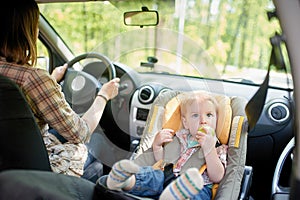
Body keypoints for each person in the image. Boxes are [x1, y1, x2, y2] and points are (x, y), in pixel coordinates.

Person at [0, 0, 120, 180]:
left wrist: (52, 79)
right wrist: (103, 95)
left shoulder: (29, 79)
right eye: (36, 25)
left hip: (6, 164)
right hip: (33, 174)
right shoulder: (34, 78)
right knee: (97, 144)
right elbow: (80, 133)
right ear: (26, 31)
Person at [99, 91, 228, 200]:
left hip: (195, 187)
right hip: (166, 177)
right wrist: (157, 147)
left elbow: (217, 176)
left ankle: (174, 196)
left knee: (196, 193)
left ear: (217, 120)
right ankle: (125, 181)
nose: (203, 120)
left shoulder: (218, 148)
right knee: (151, 175)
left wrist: (209, 148)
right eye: (195, 115)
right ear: (186, 122)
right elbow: (162, 161)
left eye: (209, 115)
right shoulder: (179, 137)